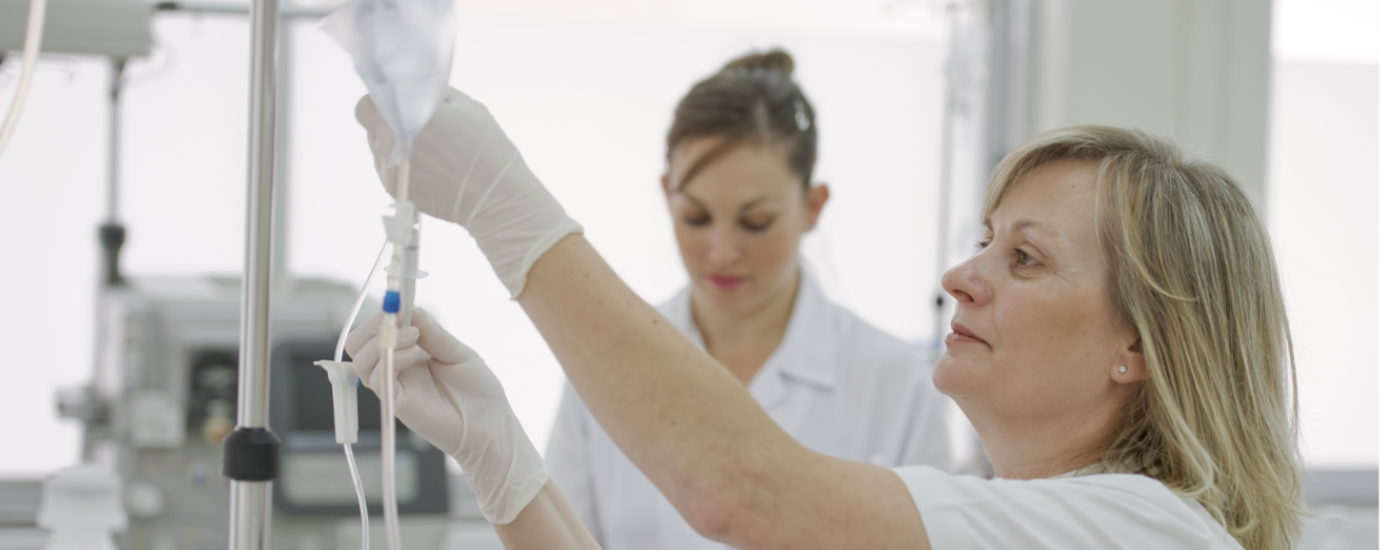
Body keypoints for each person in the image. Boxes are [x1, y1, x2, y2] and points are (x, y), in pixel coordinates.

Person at [346, 86, 1305, 549]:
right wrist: (502, 461)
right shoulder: (1014, 520)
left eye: (1025, 259)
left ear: (1139, 347)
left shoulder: (1144, 533)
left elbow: (746, 494)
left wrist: (502, 203)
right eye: (984, 241)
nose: (960, 277)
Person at [542, 49, 950, 550]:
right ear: (667, 193)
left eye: (755, 222)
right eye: (695, 217)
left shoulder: (894, 384)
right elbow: (557, 538)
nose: (722, 251)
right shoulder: (605, 363)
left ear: (813, 206)